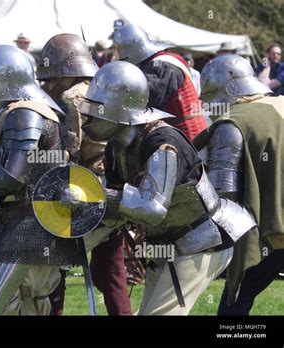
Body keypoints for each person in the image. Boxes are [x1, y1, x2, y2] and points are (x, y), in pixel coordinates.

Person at [79, 61, 256, 315]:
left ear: (121, 107)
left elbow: (152, 208)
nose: (91, 116)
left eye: (98, 108)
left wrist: (101, 199)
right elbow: (115, 210)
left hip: (201, 239)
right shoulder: (116, 147)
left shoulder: (162, 141)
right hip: (165, 244)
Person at [0, 45, 84, 315]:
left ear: (1, 81)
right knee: (27, 306)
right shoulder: (13, 111)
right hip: (20, 223)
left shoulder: (26, 112)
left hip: (30, 227)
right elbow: (0, 180)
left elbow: (10, 178)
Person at [37, 33, 131, 316]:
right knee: (109, 270)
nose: (46, 84)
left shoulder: (71, 97)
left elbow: (69, 152)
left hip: (83, 195)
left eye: (50, 77)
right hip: (116, 190)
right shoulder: (101, 89)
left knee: (54, 262)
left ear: (63, 72)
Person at [194, 54, 284, 315]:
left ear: (226, 89)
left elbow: (224, 194)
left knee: (235, 304)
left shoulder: (232, 123)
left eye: (209, 95)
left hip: (271, 233)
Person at [113, 24, 207, 140]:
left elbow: (144, 101)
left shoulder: (161, 66)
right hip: (181, 134)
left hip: (186, 136)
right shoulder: (166, 60)